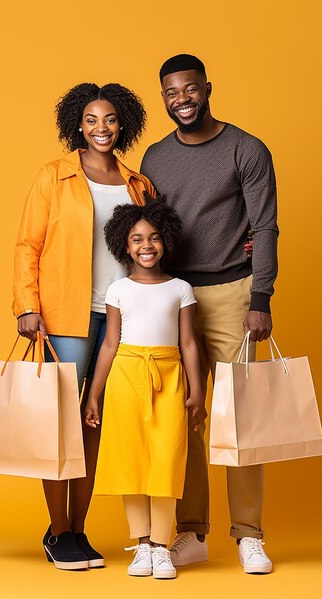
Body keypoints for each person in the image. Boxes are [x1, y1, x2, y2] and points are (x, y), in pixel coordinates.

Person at [141, 54, 279, 574]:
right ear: (164, 98)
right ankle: (190, 532)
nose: (182, 99)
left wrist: (261, 297)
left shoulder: (247, 148)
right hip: (174, 298)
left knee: (240, 417)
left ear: (207, 88)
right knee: (183, 418)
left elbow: (264, 226)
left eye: (190, 89)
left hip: (233, 293)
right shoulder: (155, 158)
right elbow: (148, 231)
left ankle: (248, 534)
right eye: (172, 92)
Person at [13, 82, 155, 570]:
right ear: (78, 123)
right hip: (65, 314)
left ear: (124, 124)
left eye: (111, 119)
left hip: (122, 318)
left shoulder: (138, 184)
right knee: (60, 422)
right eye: (92, 120)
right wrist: (26, 306)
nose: (102, 128)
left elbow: (153, 244)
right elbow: (28, 245)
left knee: (95, 422)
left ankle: (79, 527)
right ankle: (57, 531)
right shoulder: (54, 176)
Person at [84, 196, 206, 579]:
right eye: (137, 239)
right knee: (131, 461)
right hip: (125, 378)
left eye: (153, 237)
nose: (146, 246)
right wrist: (93, 393)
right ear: (124, 244)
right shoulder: (118, 290)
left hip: (169, 378)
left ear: (165, 240)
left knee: (167, 461)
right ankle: (141, 545)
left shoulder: (181, 288)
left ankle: (160, 545)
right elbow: (109, 344)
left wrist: (198, 391)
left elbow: (188, 343)